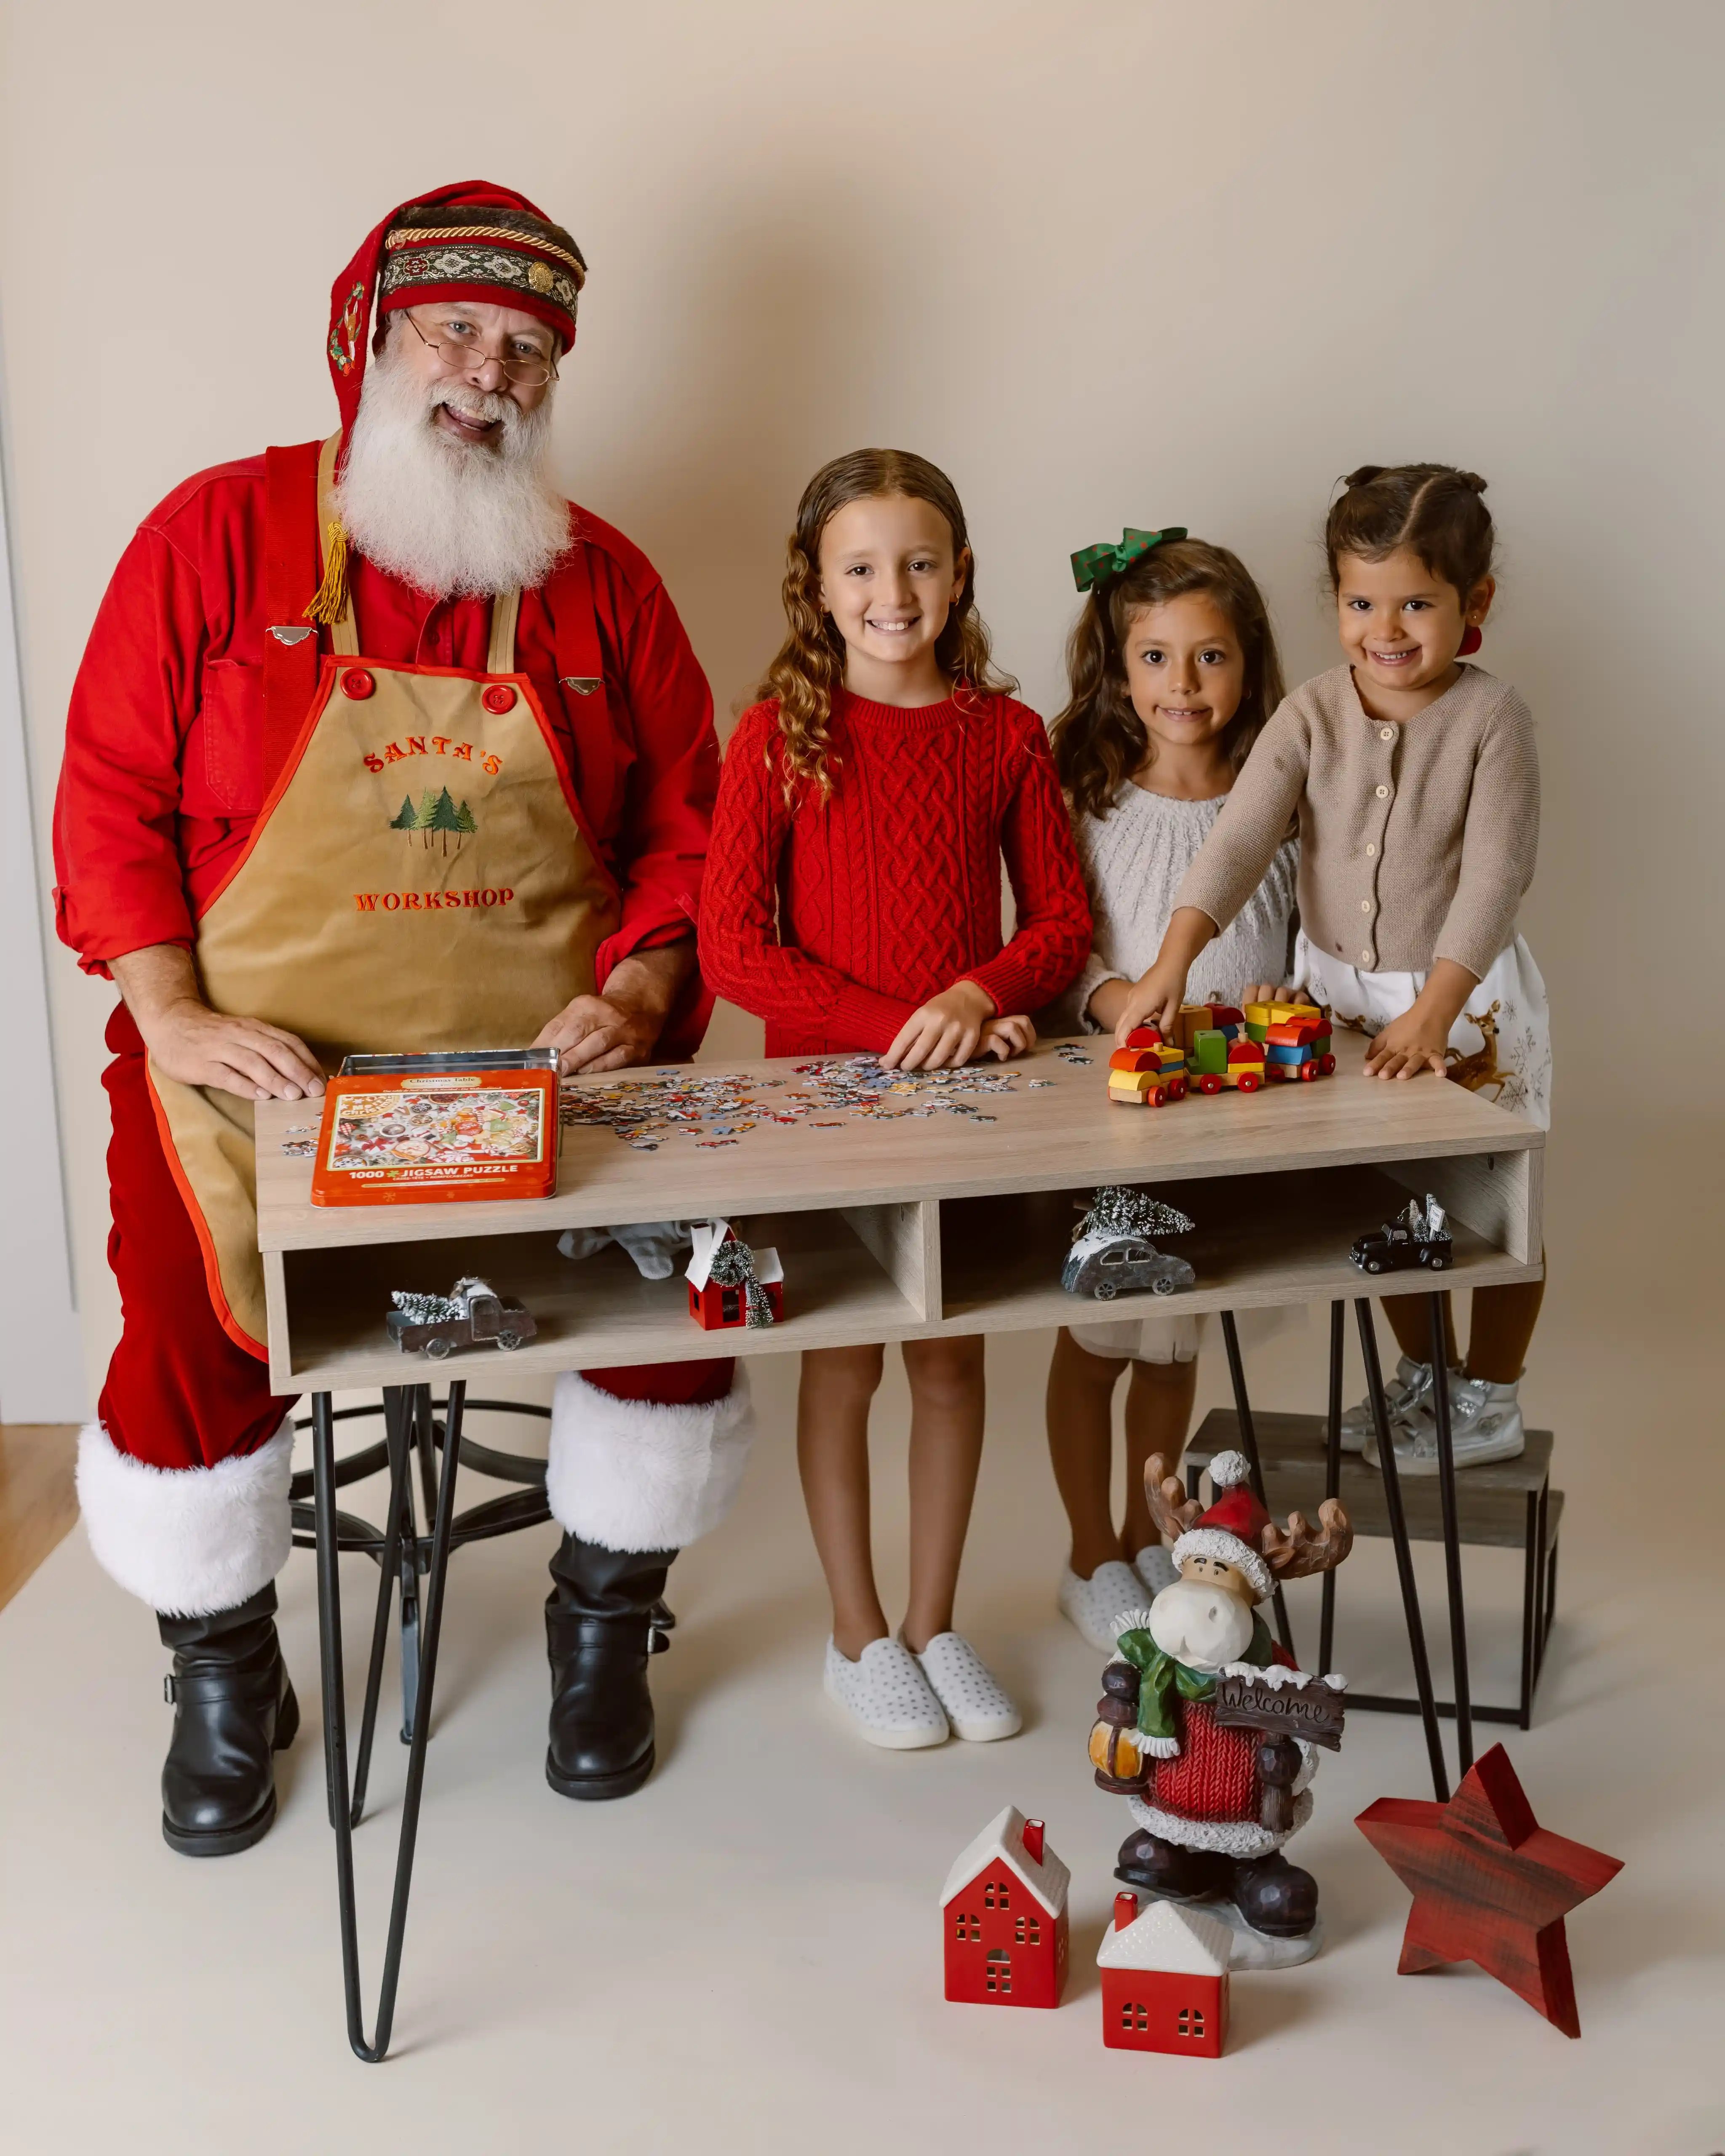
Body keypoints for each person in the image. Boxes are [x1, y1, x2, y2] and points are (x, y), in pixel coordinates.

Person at [53, 181, 756, 1854]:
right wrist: (166, 1007)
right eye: (455, 332)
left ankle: (605, 1612)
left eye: (525, 349)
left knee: (684, 1270)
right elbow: (104, 796)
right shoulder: (206, 540)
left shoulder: (609, 586)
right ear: (370, 338)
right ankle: (221, 1653)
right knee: (181, 1297)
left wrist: (648, 981)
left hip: (549, 1066)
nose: (489, 373)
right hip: (255, 1069)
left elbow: (695, 826)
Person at [700, 449, 1090, 1747]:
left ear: (960, 571)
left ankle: (935, 1622)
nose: (894, 591)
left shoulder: (1003, 734)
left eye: (920, 562)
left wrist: (973, 998)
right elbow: (734, 951)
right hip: (824, 1102)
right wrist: (894, 1027)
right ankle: (855, 1633)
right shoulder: (776, 739)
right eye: (862, 567)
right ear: (818, 586)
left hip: (962, 1103)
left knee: (950, 1358)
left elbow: (1062, 928)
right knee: (846, 1360)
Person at [1114, 465, 1548, 1472]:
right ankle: (1426, 1382)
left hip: (1465, 1007)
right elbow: (1237, 839)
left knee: (1500, 1207)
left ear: (1471, 603)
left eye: (1415, 603)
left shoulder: (1493, 720)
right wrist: (1171, 961)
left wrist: (1436, 1008)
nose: (1383, 628)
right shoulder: (1311, 712)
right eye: (1359, 601)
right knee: (1386, 1206)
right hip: (1341, 1004)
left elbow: (1494, 875)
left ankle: (1489, 1396)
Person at [1042, 528, 1299, 1651]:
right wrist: (1116, 1008)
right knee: (1098, 1336)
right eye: (1154, 658)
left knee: (1174, 1337)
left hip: (1231, 1117)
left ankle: (1153, 1532)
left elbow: (1302, 944)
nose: (1182, 686)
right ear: (1116, 663)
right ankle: (1087, 1548)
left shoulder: (1278, 801)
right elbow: (1064, 945)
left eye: (1210, 658)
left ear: (1249, 666)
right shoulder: (1091, 797)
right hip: (1124, 1119)